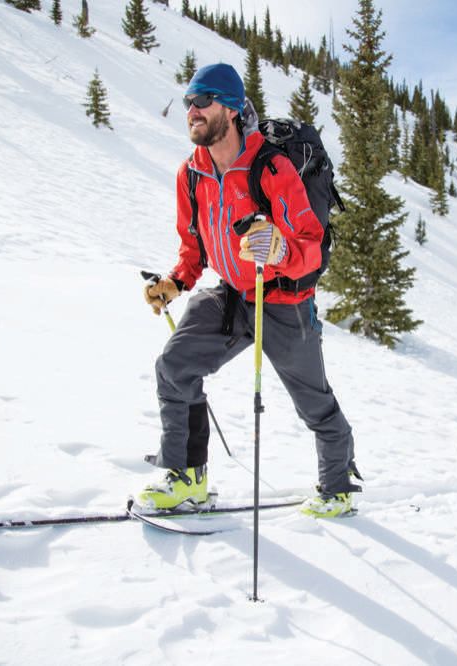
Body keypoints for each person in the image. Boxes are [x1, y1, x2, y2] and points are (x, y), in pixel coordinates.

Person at [137, 63, 360, 517]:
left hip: (284, 300)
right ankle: (186, 479)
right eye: (188, 103)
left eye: (203, 102)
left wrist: (280, 250)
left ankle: (337, 488)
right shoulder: (191, 175)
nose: (192, 111)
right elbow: (194, 245)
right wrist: (175, 282)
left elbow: (311, 246)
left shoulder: (271, 167)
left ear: (232, 108)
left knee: (313, 402)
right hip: (233, 295)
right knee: (174, 367)